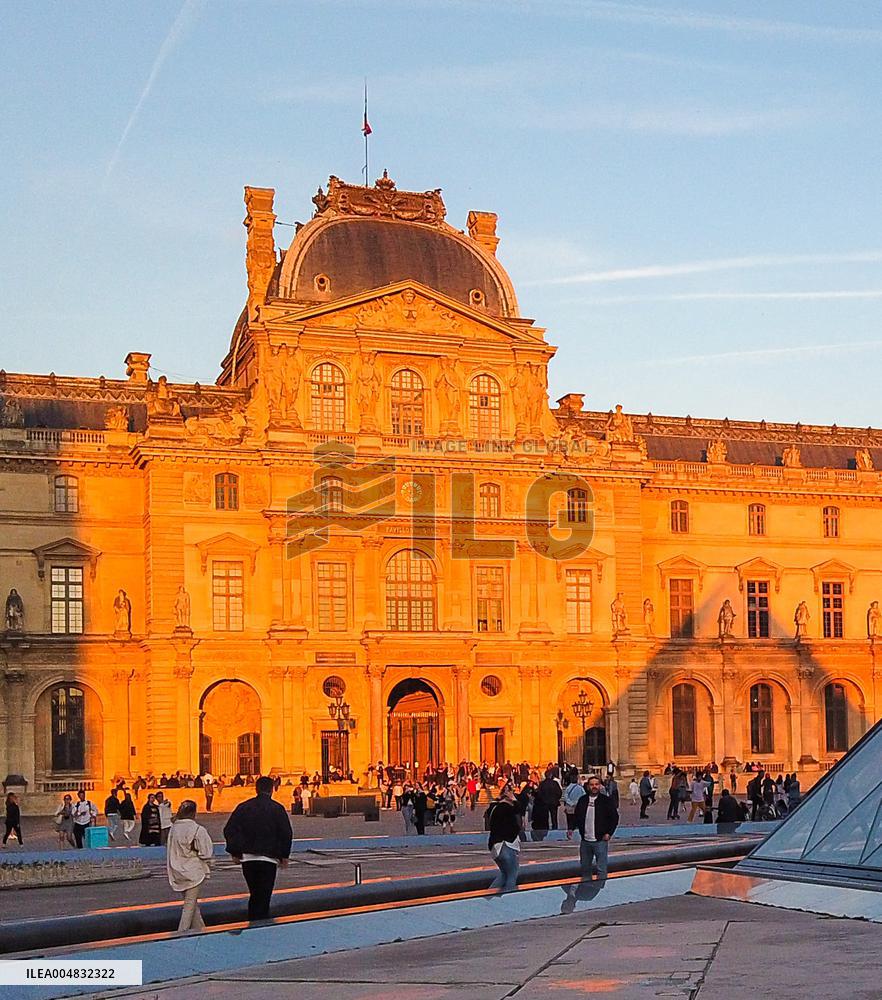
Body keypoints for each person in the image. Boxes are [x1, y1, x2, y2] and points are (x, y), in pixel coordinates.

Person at [223, 775, 293, 922]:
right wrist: (284, 856)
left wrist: (235, 851)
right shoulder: (277, 809)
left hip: (248, 859)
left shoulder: (243, 807)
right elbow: (286, 833)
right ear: (272, 789)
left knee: (255, 892)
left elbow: (229, 829)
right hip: (269, 859)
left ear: (256, 789)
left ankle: (255, 921)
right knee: (264, 894)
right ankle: (259, 924)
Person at [166, 800, 214, 934]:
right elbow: (206, 853)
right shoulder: (197, 829)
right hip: (194, 871)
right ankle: (182, 932)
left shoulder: (173, 828)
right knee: (190, 905)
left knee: (192, 905)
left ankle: (202, 931)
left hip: (177, 870)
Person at [574, 775, 619, 881]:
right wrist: (572, 828)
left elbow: (614, 818)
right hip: (585, 841)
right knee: (585, 868)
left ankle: (601, 893)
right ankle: (586, 889)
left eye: (596, 784)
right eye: (592, 784)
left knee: (601, 869)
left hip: (600, 840)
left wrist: (609, 833)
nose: (594, 787)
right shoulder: (583, 800)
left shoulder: (606, 801)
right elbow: (577, 816)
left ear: (600, 786)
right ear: (588, 786)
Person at [486, 784, 521, 893]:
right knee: (512, 874)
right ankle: (508, 899)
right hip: (506, 844)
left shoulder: (494, 807)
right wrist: (513, 798)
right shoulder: (506, 808)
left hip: (495, 845)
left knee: (504, 874)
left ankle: (488, 897)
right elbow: (519, 809)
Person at [562, 774, 586, 840]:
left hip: (570, 807)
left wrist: (571, 803)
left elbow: (565, 797)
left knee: (570, 821)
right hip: (578, 807)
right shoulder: (580, 788)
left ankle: (570, 833)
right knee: (578, 820)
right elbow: (584, 796)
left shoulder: (568, 788)